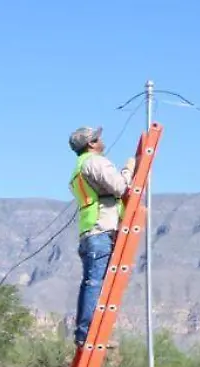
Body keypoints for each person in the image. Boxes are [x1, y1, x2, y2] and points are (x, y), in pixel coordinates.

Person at [68, 126, 136, 348]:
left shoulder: (79, 167)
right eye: (98, 138)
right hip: (101, 229)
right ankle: (87, 334)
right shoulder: (95, 162)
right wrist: (128, 170)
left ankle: (85, 333)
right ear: (91, 143)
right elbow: (120, 188)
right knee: (95, 283)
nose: (102, 140)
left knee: (91, 283)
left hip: (90, 231)